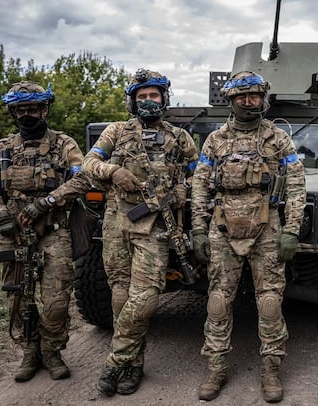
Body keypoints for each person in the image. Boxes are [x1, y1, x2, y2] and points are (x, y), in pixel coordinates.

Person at [82, 68, 199, 397]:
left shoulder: (179, 137)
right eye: (142, 96)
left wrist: (181, 192)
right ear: (133, 101)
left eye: (154, 96)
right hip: (118, 222)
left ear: (164, 99)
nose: (148, 101)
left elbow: (201, 175)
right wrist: (113, 170)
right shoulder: (116, 132)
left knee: (145, 298)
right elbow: (89, 163)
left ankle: (114, 360)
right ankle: (133, 365)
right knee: (120, 294)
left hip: (157, 226)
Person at [191, 71, 306, 403]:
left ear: (263, 99)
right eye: (240, 96)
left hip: (267, 228)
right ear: (230, 100)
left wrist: (291, 232)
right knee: (217, 301)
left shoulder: (278, 139)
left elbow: (297, 185)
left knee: (269, 302)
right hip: (223, 227)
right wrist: (198, 229)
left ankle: (270, 370)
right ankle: (216, 368)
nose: (247, 101)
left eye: (253, 95)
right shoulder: (215, 140)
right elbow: (200, 184)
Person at [0, 81, 91, 382]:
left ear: (44, 109)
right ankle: (30, 352)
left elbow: (82, 179)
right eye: (20, 109)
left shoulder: (63, 144)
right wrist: (0, 213)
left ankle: (52, 351)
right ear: (13, 112)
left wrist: (46, 202)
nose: (27, 114)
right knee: (18, 298)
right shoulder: (3, 148)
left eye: (32, 108)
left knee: (56, 301)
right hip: (14, 234)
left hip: (53, 231)